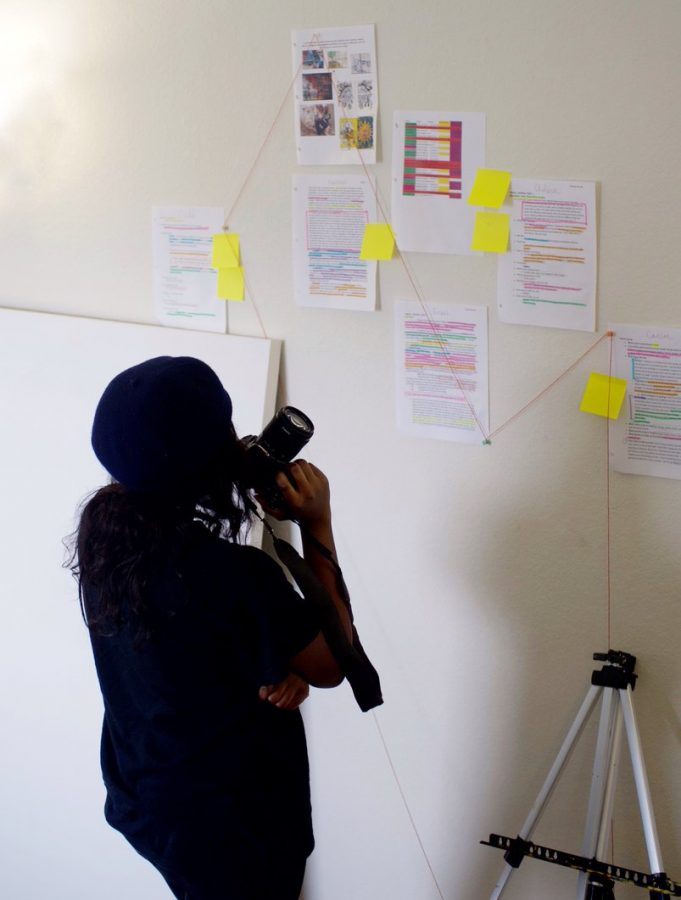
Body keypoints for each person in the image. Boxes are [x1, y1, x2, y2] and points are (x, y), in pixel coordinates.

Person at [69, 356, 354, 900]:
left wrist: (271, 662)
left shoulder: (105, 535)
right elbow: (331, 663)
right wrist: (318, 520)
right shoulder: (233, 575)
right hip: (235, 826)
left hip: (153, 797)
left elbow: (189, 648)